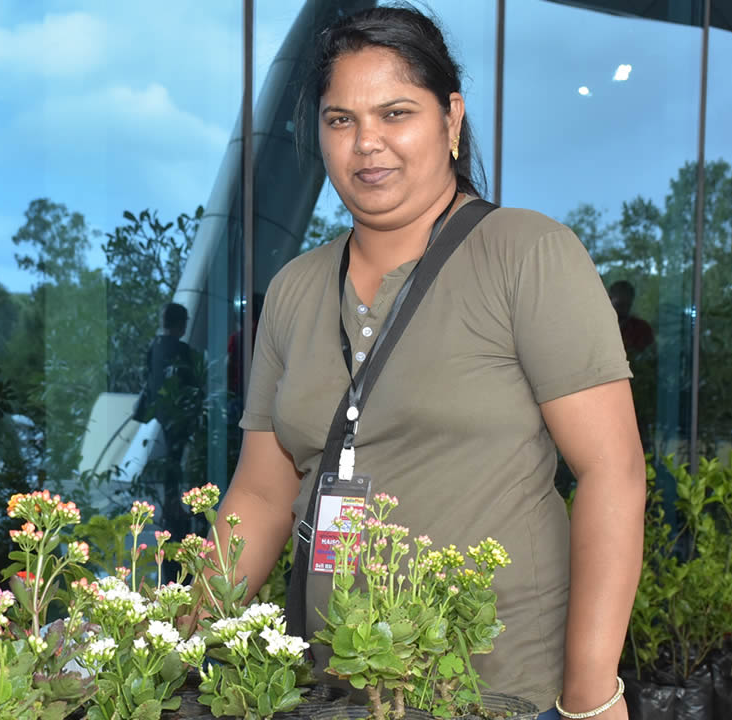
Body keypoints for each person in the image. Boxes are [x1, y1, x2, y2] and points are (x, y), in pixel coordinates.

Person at [215, 6, 644, 720]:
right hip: (333, 693)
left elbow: (613, 473)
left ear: (451, 119)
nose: (367, 144)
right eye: (340, 120)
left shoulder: (526, 255)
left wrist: (591, 694)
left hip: (496, 695)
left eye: (395, 113)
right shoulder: (294, 288)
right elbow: (260, 496)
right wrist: (167, 639)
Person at [134, 302, 204, 539]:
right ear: (180, 323)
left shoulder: (155, 346)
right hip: (179, 413)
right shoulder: (181, 350)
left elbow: (149, 377)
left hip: (162, 411)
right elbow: (193, 383)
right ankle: (175, 506)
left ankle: (170, 504)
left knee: (171, 460)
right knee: (177, 459)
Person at [608, 280, 654, 355]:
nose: (624, 309)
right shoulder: (598, 326)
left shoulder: (642, 328)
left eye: (627, 305)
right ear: (609, 299)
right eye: (620, 304)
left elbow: (648, 358)